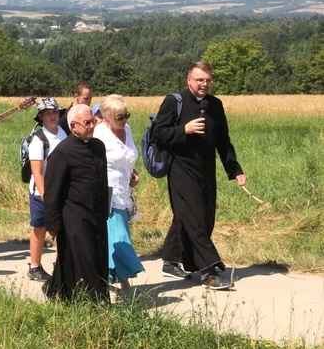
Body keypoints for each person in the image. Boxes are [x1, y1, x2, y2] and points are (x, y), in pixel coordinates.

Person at [152, 61, 246, 291]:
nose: (204, 84)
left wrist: (235, 170)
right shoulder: (175, 102)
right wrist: (184, 129)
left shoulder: (216, 105)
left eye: (208, 80)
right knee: (194, 219)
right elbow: (159, 134)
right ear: (189, 80)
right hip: (181, 170)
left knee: (202, 217)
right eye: (199, 80)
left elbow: (223, 141)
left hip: (206, 171)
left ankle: (171, 259)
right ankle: (208, 271)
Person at [44, 104, 110, 303]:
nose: (92, 126)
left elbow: (103, 180)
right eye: (87, 122)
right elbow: (52, 192)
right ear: (73, 127)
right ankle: (93, 304)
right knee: (84, 260)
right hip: (75, 218)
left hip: (97, 215)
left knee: (98, 258)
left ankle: (59, 293)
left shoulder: (99, 147)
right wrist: (53, 225)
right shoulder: (62, 153)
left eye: (93, 121)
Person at [93, 94, 144, 297]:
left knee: (116, 238)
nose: (124, 121)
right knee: (119, 238)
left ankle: (107, 281)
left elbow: (128, 158)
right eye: (119, 117)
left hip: (125, 192)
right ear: (106, 118)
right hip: (108, 193)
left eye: (125, 115)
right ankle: (125, 285)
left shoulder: (127, 130)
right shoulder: (99, 135)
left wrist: (134, 174)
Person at [26, 98, 67, 282]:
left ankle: (61, 266)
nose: (52, 116)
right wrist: (46, 196)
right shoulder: (38, 139)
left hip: (62, 191)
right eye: (48, 113)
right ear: (41, 117)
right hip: (41, 193)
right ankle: (35, 266)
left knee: (62, 229)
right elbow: (37, 172)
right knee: (40, 227)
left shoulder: (64, 134)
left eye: (55, 112)